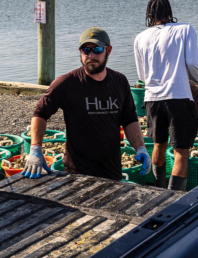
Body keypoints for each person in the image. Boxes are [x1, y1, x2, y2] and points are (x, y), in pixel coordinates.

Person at [23, 27, 150, 181]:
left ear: (108, 50)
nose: (91, 55)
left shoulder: (120, 81)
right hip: (76, 174)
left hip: (112, 172)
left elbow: (129, 119)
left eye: (96, 49)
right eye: (85, 50)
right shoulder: (67, 83)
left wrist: (140, 147)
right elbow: (40, 113)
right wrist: (36, 148)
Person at [133, 0, 198, 191]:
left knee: (159, 145)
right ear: (170, 13)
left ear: (150, 16)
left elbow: (142, 76)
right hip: (178, 97)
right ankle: (174, 198)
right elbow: (194, 63)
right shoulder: (185, 29)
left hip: (152, 99)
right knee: (182, 151)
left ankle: (158, 190)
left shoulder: (140, 38)